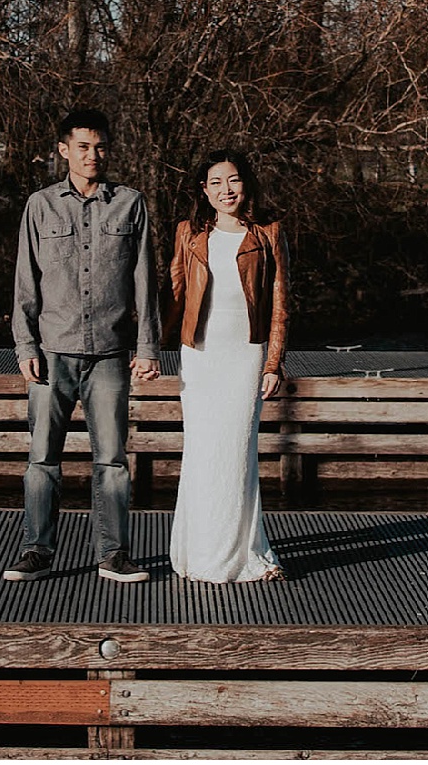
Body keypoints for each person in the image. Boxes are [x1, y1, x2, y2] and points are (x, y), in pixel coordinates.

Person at [3, 108, 161, 583]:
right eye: (83, 147)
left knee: (112, 460)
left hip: (110, 355)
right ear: (63, 151)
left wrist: (148, 346)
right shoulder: (40, 205)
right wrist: (25, 344)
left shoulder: (131, 204)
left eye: (100, 146)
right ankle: (37, 550)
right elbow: (25, 281)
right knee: (41, 460)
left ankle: (113, 555)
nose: (93, 155)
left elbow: (145, 282)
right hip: (52, 353)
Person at [165, 149, 289, 583]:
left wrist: (273, 362)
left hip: (245, 355)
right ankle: (199, 553)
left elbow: (279, 303)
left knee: (237, 453)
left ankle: (243, 554)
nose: (226, 190)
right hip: (200, 356)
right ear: (204, 189)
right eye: (216, 182)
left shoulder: (268, 233)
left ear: (246, 182)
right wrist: (145, 349)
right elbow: (175, 295)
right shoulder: (188, 233)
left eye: (233, 180)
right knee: (202, 451)